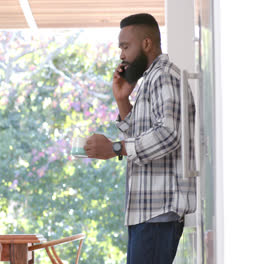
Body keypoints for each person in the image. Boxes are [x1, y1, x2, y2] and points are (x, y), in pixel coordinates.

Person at [83, 13, 196, 264]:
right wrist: (123, 100)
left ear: (146, 44)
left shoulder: (164, 76)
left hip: (158, 213)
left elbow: (168, 134)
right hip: (147, 213)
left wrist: (115, 147)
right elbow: (142, 139)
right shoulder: (149, 80)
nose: (122, 54)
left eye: (126, 46)